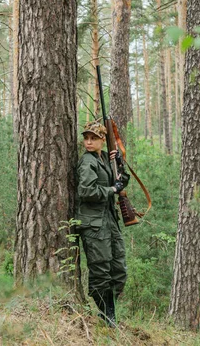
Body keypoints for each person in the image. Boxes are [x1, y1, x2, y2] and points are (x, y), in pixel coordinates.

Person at [76, 121, 129, 327]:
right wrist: (112, 191)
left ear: (101, 141)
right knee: (101, 272)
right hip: (94, 224)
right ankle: (107, 315)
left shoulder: (106, 159)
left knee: (119, 270)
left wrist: (119, 164)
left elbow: (122, 180)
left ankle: (110, 310)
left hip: (109, 221)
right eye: (86, 138)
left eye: (94, 138)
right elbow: (86, 192)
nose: (88, 142)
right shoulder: (87, 162)